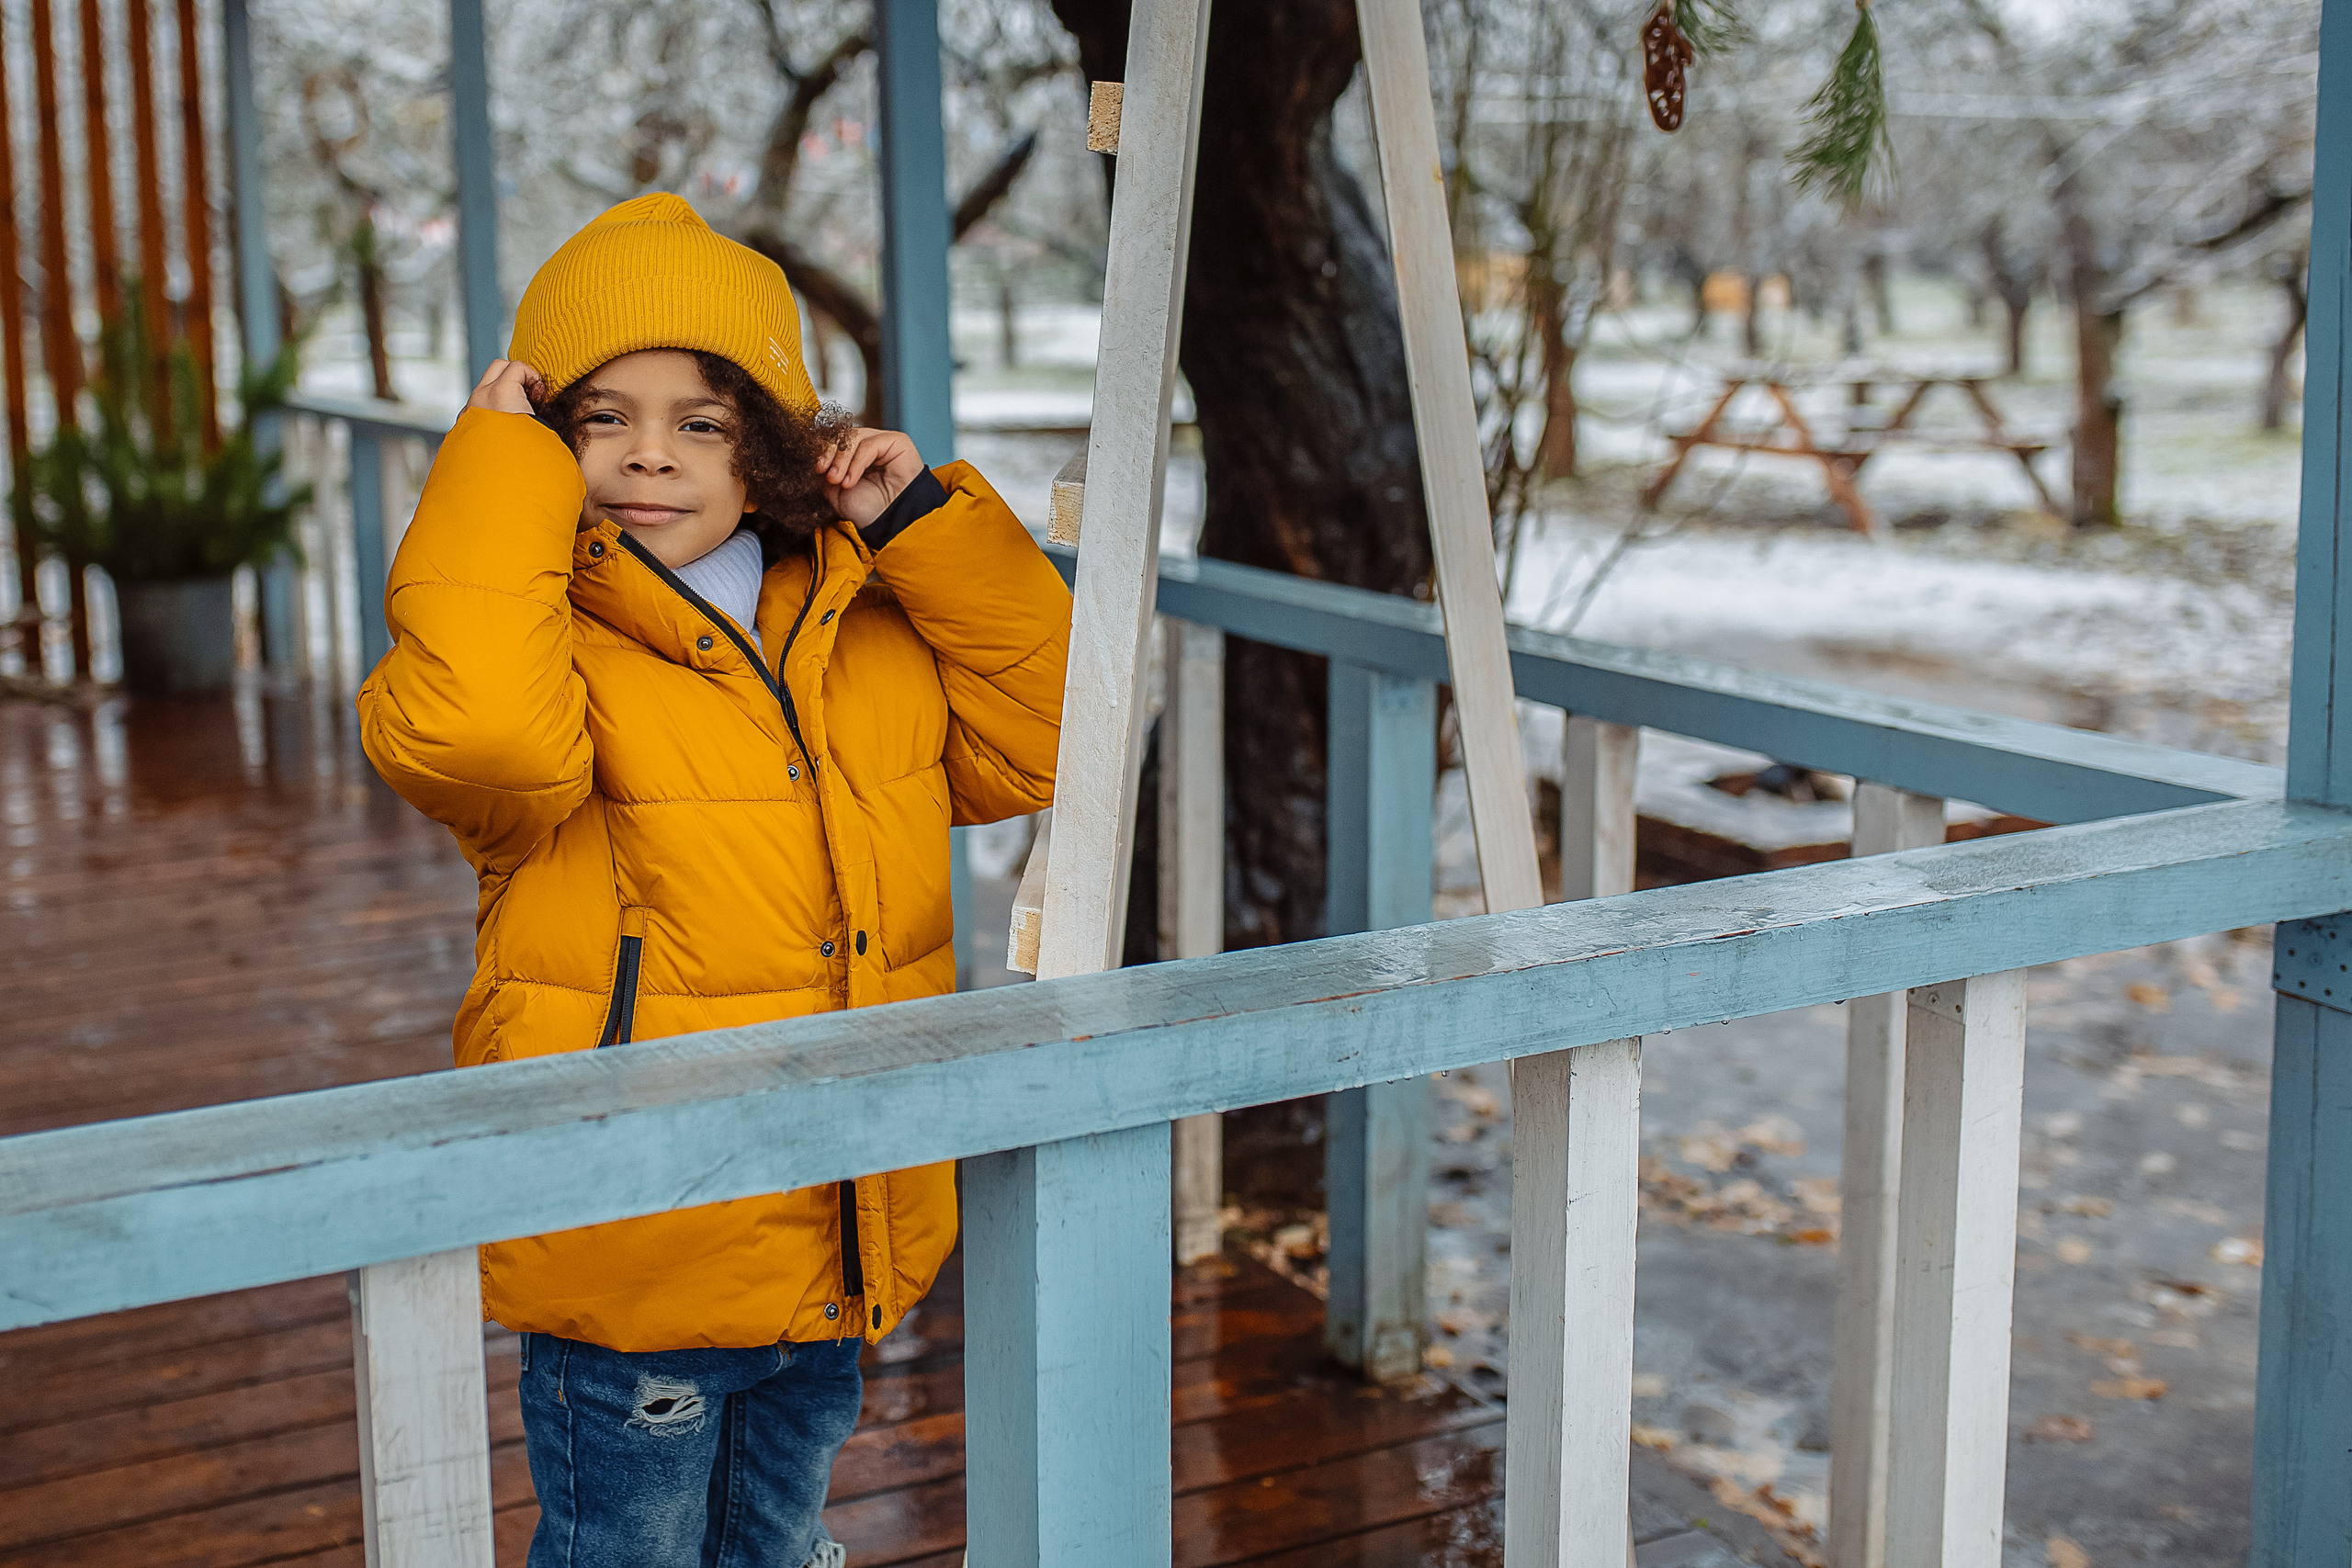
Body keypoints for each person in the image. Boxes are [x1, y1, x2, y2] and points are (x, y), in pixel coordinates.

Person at [357, 192, 1070, 1568]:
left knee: (779, 1545)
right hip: (638, 1226)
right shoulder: (544, 639)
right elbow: (482, 739)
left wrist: (920, 524)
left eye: (703, 421)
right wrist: (496, 469)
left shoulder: (863, 621)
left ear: (777, 446)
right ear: (544, 439)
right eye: (599, 418)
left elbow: (1049, 740)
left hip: (834, 1217)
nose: (649, 457)